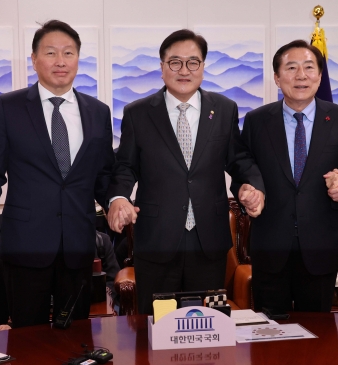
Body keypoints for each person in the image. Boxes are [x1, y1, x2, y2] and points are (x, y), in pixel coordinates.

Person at [106, 29, 265, 314]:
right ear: (162, 67)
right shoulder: (138, 113)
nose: (184, 70)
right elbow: (125, 166)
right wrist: (118, 197)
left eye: (193, 62)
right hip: (156, 240)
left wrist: (250, 185)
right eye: (175, 62)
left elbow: (238, 159)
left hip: (209, 239)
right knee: (154, 325)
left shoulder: (224, 109)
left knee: (208, 325)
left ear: (203, 67)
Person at [0, 20, 115, 327]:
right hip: (26, 243)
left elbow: (103, 175)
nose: (61, 61)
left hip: (78, 244)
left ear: (78, 59)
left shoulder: (98, 112)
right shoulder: (7, 107)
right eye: (51, 53)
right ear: (34, 59)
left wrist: (118, 201)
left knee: (76, 332)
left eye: (68, 53)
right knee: (28, 336)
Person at [238, 40, 338, 314]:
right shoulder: (257, 120)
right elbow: (243, 165)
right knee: (268, 341)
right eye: (291, 68)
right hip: (271, 247)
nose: (301, 76)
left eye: (309, 68)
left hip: (321, 248)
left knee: (319, 341)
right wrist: (247, 189)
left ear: (320, 76)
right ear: (277, 77)